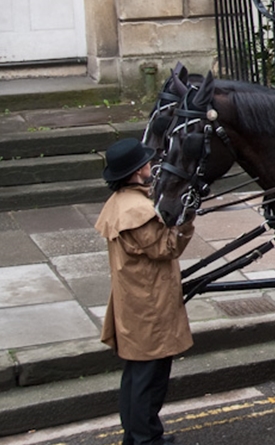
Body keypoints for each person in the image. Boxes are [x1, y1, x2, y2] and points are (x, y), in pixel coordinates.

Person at [94, 138, 195, 445]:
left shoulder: (121, 202)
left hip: (136, 299)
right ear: (137, 172)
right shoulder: (137, 210)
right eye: (147, 164)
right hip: (150, 304)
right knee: (150, 381)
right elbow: (167, 247)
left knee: (137, 376)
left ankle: (139, 435)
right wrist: (186, 219)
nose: (152, 167)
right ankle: (145, 440)